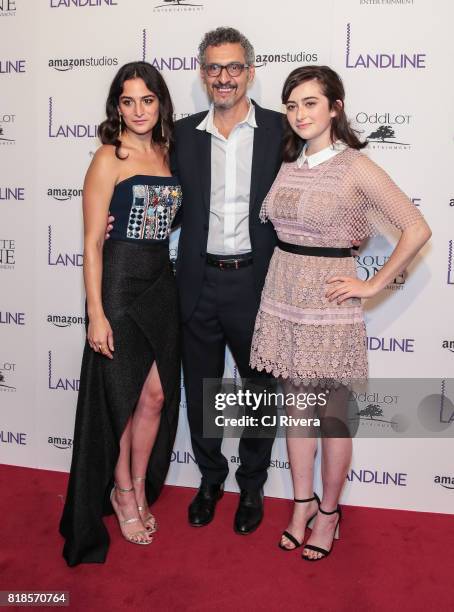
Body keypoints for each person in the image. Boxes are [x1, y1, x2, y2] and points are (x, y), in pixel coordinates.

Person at [250, 65, 431, 560]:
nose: (300, 113)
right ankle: (301, 505)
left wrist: (371, 283)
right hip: (284, 295)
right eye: (292, 104)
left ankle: (329, 513)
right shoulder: (290, 160)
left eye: (311, 102)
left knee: (331, 418)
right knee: (296, 413)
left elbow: (416, 227)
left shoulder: (355, 165)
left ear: (336, 107)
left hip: (330, 305)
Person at [59, 62, 182, 566]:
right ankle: (124, 491)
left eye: (147, 100)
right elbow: (91, 241)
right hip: (118, 284)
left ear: (160, 104)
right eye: (127, 101)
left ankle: (134, 480)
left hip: (161, 283)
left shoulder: (168, 151)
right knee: (123, 398)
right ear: (117, 106)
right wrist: (96, 313)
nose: (137, 110)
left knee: (154, 394)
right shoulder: (108, 156)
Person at [172, 27, 285, 534]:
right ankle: (211, 479)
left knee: (260, 391)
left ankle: (253, 486)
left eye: (234, 67)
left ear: (250, 72)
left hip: (256, 285)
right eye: (215, 68)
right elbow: (160, 198)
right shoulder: (181, 134)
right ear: (202, 74)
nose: (224, 77)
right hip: (197, 282)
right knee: (203, 390)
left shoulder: (283, 132)